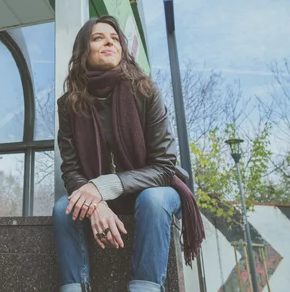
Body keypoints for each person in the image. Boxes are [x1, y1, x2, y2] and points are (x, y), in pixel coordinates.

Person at [53, 16, 204, 292]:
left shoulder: (144, 91)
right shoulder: (69, 105)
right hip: (103, 197)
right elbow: (71, 169)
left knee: (153, 199)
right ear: (83, 50)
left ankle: (145, 288)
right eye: (98, 37)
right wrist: (96, 203)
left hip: (156, 189)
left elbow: (164, 167)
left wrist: (101, 187)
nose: (109, 41)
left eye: (114, 38)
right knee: (64, 208)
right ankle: (76, 287)